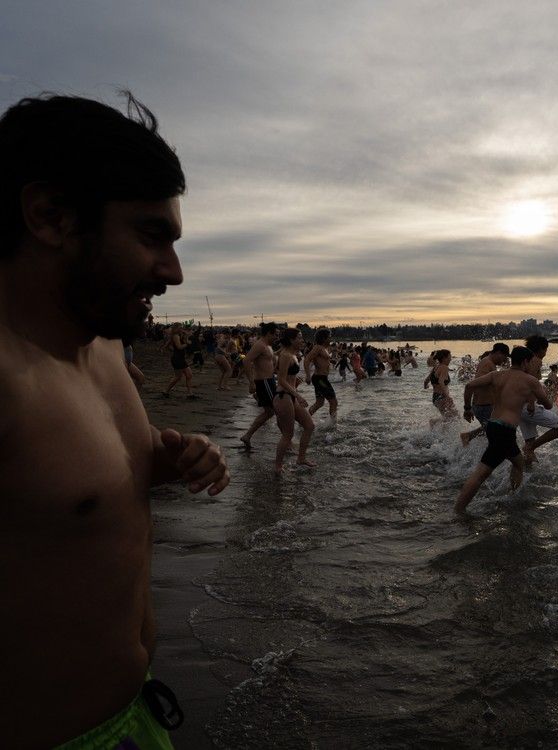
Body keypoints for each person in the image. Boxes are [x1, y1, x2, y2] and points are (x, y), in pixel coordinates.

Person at [0, 92, 229, 748]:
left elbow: (70, 482)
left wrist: (167, 457)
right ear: (51, 217)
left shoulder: (101, 348)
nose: (174, 272)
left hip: (138, 714)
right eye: (151, 235)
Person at [455, 346, 552, 512]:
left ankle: (512, 495)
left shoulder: (496, 375)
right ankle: (458, 511)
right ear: (525, 361)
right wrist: (536, 397)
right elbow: (548, 404)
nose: (531, 365)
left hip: (493, 426)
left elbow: (469, 386)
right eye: (530, 362)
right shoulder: (530, 380)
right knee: (481, 474)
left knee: (519, 463)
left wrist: (467, 407)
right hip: (504, 431)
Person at [519, 335, 558, 465]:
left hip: (519, 406)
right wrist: (531, 402)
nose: (546, 353)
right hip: (527, 406)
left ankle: (524, 472)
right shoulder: (535, 360)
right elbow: (530, 382)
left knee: (529, 446)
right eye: (546, 350)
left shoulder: (524, 360)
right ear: (541, 349)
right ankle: (531, 447)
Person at [273, 329, 316, 474]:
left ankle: (301, 458)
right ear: (291, 340)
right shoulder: (285, 355)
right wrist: (297, 395)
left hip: (289, 395)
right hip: (283, 396)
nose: (302, 341)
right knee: (288, 434)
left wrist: (295, 382)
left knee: (309, 425)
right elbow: (281, 380)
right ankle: (278, 466)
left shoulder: (292, 354)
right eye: (299, 338)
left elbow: (286, 377)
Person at [460, 342, 510, 446]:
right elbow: (472, 385)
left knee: (491, 433)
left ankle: (473, 450)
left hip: (485, 405)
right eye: (504, 357)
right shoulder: (487, 363)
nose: (504, 360)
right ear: (498, 353)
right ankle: (468, 436)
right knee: (498, 434)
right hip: (484, 406)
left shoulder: (488, 362)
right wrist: (467, 408)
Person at [239, 322, 279, 449]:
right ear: (269, 333)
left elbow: (268, 360)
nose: (277, 337)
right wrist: (251, 382)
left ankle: (247, 435)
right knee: (276, 410)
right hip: (264, 381)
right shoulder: (260, 345)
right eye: (275, 334)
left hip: (270, 380)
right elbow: (246, 360)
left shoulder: (267, 346)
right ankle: (287, 440)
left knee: (270, 411)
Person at [303, 328, 338, 422]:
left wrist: (330, 360)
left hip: (321, 378)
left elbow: (321, 359)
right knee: (333, 402)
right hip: (320, 379)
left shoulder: (323, 348)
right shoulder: (318, 347)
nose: (331, 338)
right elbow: (307, 359)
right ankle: (333, 425)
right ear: (323, 338)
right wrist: (308, 375)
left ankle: (304, 420)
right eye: (329, 337)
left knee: (319, 403)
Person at [424, 349, 457, 426]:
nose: (451, 359)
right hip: (442, 397)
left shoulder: (436, 367)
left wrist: (426, 386)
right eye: (449, 357)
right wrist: (447, 396)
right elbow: (441, 381)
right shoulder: (444, 367)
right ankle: (434, 423)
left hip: (435, 397)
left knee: (448, 418)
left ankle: (437, 427)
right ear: (444, 358)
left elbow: (426, 381)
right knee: (455, 417)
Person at [162, 322, 194, 398]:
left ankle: (190, 393)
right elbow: (179, 347)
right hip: (177, 359)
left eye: (182, 327)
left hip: (180, 358)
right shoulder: (175, 336)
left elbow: (166, 346)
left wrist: (186, 336)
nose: (181, 328)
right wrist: (187, 344)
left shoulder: (178, 335)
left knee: (189, 375)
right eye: (180, 327)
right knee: (178, 377)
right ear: (176, 328)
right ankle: (166, 391)